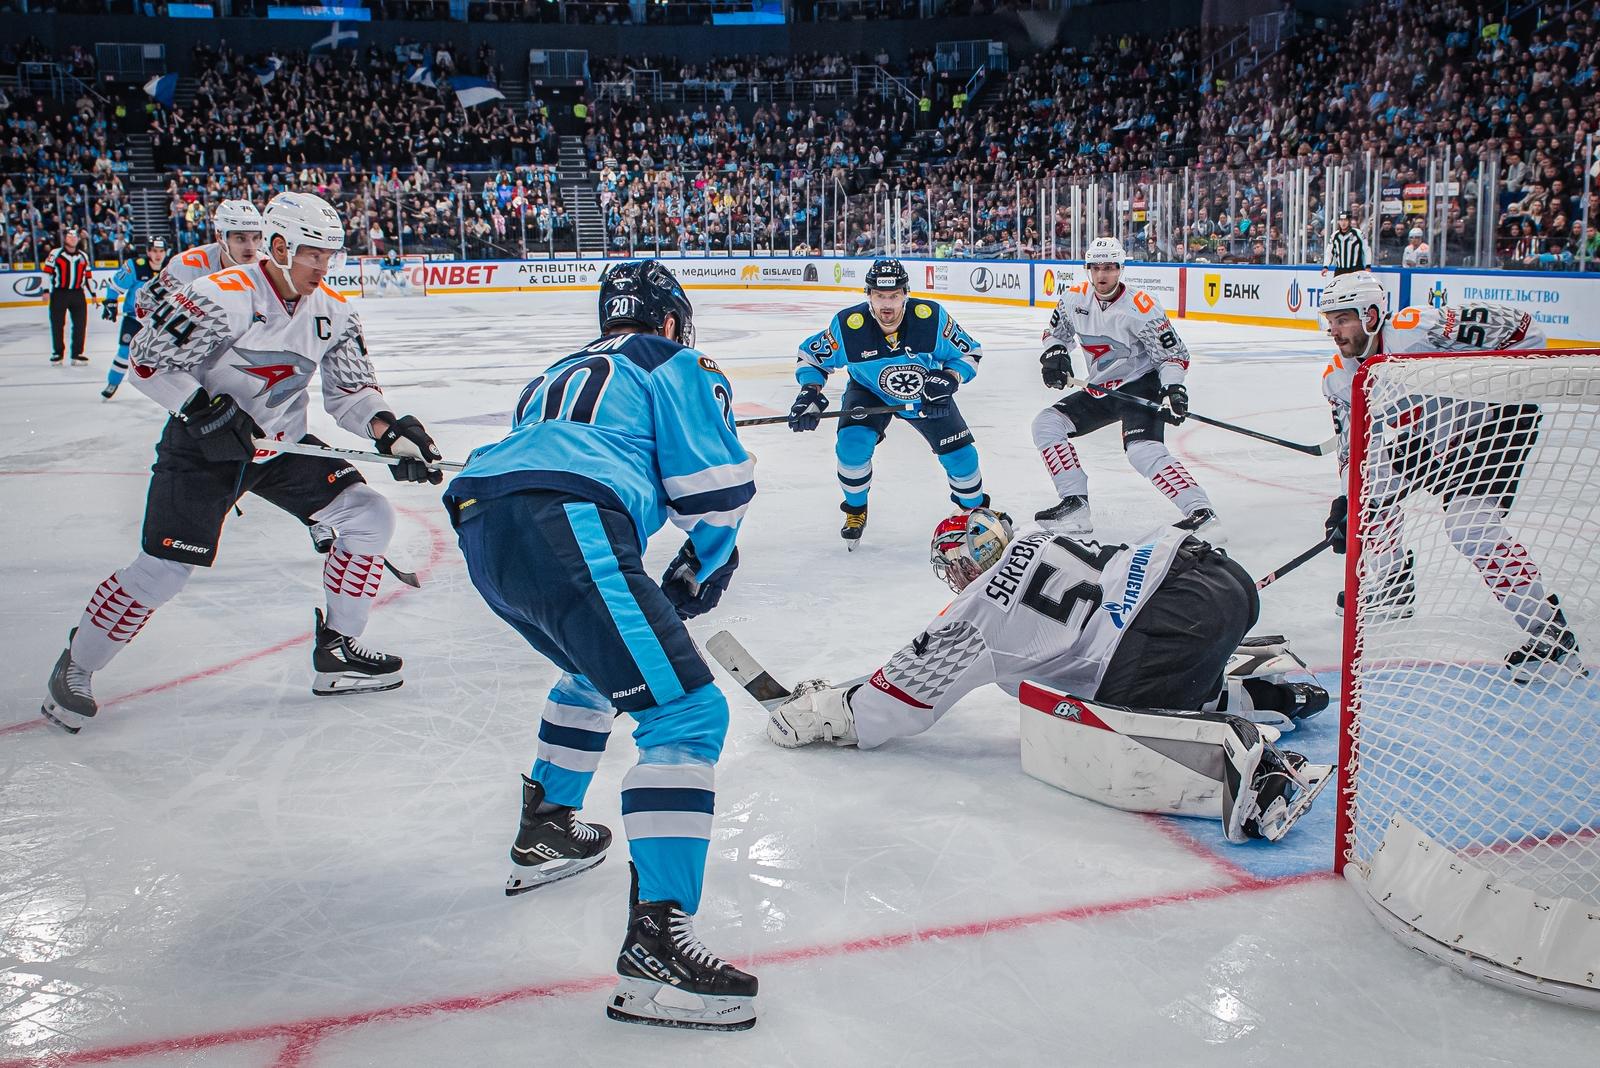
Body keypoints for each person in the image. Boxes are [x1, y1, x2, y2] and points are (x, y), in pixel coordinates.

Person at [443, 259, 759, 1031]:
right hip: (565, 517)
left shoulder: (556, 370)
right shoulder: (671, 359)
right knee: (686, 718)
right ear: (673, 320)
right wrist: (702, 565)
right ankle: (658, 946)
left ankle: (548, 826)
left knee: (595, 672)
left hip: (485, 527)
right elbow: (715, 492)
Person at [41, 192, 444, 734]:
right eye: (312, 255)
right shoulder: (219, 295)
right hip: (202, 449)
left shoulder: (334, 312)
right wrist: (200, 406)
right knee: (162, 573)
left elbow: (351, 393)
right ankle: (76, 666)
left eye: (330, 256)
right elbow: (147, 362)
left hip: (281, 447)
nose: (323, 268)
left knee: (367, 515)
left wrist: (389, 431)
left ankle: (338, 651)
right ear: (279, 247)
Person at [763, 509, 1331, 844]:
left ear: (962, 565)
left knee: (1112, 724)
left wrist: (830, 711)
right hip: (1221, 579)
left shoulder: (979, 608)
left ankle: (1266, 781)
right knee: (1134, 678)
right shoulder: (1044, 537)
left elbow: (903, 698)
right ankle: (1264, 691)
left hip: (1171, 622)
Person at [1317, 271, 1578, 679]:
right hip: (1432, 438)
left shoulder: (1416, 330)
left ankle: (1550, 633)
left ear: (1371, 314)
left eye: (1343, 319)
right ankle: (1392, 581)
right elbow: (1355, 450)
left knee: (1469, 528)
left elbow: (1526, 331)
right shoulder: (1339, 377)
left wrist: (1497, 386)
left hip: (1493, 425)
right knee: (1372, 488)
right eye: (1329, 320)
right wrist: (1349, 502)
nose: (1334, 330)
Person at [790, 257, 989, 547]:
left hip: (925, 393)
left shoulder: (930, 318)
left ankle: (976, 512)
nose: (887, 305)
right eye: (880, 296)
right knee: (852, 446)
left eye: (894, 296)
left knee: (962, 458)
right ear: (868, 295)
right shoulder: (849, 326)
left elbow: (969, 352)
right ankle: (856, 510)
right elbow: (811, 357)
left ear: (905, 294)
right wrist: (809, 391)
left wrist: (950, 378)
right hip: (868, 390)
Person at [1030, 236, 1219, 538]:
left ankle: (1200, 512)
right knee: (1047, 424)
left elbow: (1172, 355)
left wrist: (1173, 389)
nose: (1102, 275)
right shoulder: (1073, 299)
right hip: (1101, 391)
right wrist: (1054, 354)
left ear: (1120, 269)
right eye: (1095, 268)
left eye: (1109, 268)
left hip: (1140, 387)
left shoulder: (1142, 308)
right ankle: (1075, 504)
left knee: (1142, 451)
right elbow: (1055, 333)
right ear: (1087, 269)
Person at [137, 199, 266, 322]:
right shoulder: (186, 265)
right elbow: (145, 305)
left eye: (255, 238)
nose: (251, 247)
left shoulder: (269, 269)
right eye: (240, 238)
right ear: (220, 237)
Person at [97, 236, 170, 399]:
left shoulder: (172, 268)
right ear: (148, 252)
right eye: (154, 251)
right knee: (124, 352)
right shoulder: (135, 267)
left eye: (161, 251)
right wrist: (111, 302)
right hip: (134, 319)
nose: (158, 255)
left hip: (160, 322)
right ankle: (113, 383)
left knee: (166, 357)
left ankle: (168, 390)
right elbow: (115, 286)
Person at [43, 229, 93, 365]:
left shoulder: (83, 256)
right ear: (64, 238)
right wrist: (46, 290)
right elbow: (47, 273)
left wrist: (93, 294)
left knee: (80, 324)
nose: (72, 239)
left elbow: (88, 276)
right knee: (58, 324)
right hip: (60, 293)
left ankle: (77, 354)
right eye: (69, 236)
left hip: (78, 294)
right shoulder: (55, 253)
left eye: (75, 236)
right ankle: (58, 353)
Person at [1323, 210, 1370, 275]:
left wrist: (1368, 265)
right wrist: (1326, 266)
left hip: (1356, 270)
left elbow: (1366, 250)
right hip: (1340, 271)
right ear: (1338, 221)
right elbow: (1329, 252)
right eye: (1341, 220)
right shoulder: (1334, 235)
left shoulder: (1358, 233)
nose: (1343, 223)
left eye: (1345, 220)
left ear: (1349, 221)